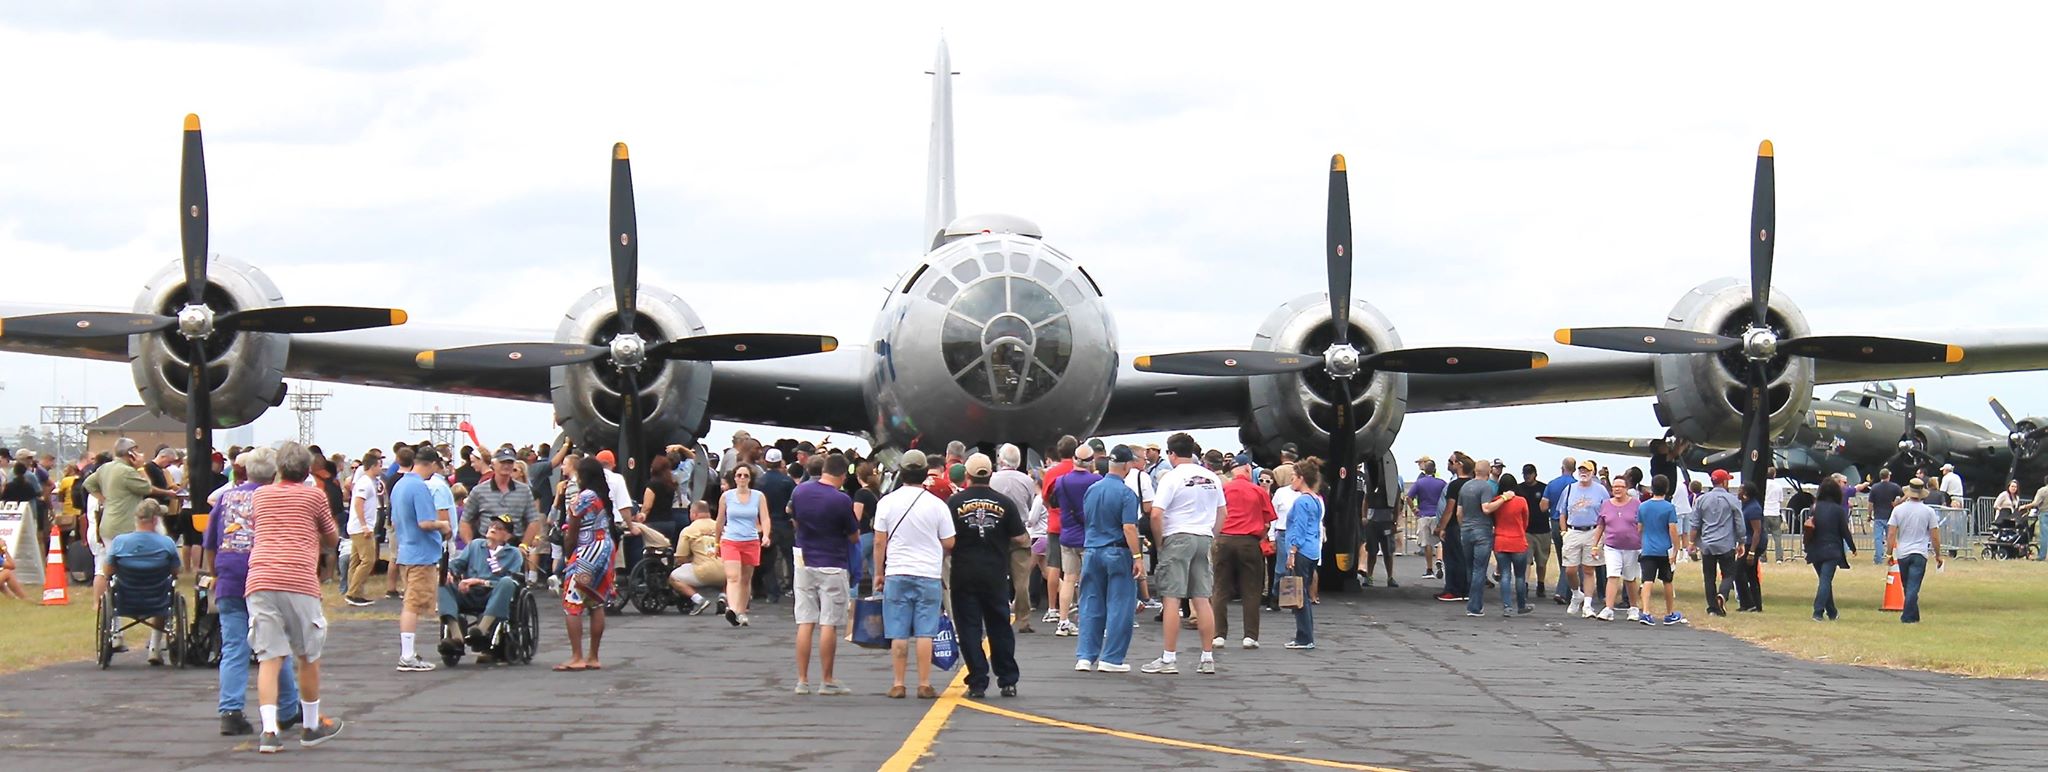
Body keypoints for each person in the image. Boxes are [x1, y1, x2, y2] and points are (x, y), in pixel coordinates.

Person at [244, 442, 345, 753]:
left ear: (279, 469)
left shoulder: (260, 495)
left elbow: (255, 525)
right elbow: (331, 536)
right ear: (307, 470)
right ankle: (311, 724)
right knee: (308, 654)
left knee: (269, 656)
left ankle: (270, 730)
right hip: (298, 578)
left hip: (261, 576)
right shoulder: (314, 495)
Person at [203, 449, 304, 736]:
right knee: (274, 646)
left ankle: (231, 709)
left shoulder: (225, 498)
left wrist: (215, 573)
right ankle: (286, 707)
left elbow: (211, 542)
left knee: (234, 646)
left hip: (230, 575)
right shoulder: (277, 499)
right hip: (266, 576)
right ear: (276, 474)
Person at [873, 450, 956, 699]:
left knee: (897, 631)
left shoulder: (886, 502)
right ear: (924, 474)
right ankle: (924, 683)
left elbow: (879, 541)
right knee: (925, 631)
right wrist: (933, 550)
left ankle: (898, 683)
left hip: (897, 572)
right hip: (928, 573)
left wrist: (879, 573)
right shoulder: (937, 505)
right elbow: (950, 541)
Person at [944, 453, 1026, 698]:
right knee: (999, 625)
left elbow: (947, 539)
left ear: (967, 476)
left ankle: (978, 680)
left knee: (969, 627)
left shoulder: (954, 503)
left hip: (963, 572)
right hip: (995, 573)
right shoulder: (1005, 503)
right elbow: (1021, 538)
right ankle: (1007, 679)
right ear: (990, 474)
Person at [1143, 433, 1225, 676]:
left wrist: (1160, 542)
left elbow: (1156, 514)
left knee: (1171, 598)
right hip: (1203, 536)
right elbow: (1223, 512)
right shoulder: (1211, 477)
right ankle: (1207, 656)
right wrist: (1212, 535)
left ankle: (1169, 658)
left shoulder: (1172, 477)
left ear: (1171, 453)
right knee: (1202, 597)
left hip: (1178, 535)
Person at [791, 453, 859, 696]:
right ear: (842, 475)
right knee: (828, 622)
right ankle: (827, 679)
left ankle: (802, 680)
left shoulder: (800, 492)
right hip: (832, 561)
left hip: (804, 560)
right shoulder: (841, 500)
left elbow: (796, 521)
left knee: (805, 620)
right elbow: (853, 535)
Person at [1076, 446, 1144, 672]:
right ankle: (1111, 658)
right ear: (1126, 465)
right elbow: (1129, 528)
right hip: (1117, 551)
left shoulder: (1092, 490)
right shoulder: (1127, 494)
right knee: (1120, 605)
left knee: (1090, 602)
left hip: (1092, 549)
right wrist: (1137, 557)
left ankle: (1085, 656)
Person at [387, 448, 451, 673]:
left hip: (406, 550)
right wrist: (442, 526)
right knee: (413, 604)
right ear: (432, 464)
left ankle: (408, 653)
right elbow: (425, 522)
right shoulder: (419, 487)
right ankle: (407, 654)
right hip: (421, 554)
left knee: (411, 602)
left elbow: (395, 519)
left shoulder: (399, 485)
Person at [95, 500, 181, 663]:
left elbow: (108, 571)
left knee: (111, 584)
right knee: (166, 587)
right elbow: (175, 571)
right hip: (157, 599)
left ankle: (116, 633)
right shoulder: (167, 543)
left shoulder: (120, 542)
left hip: (125, 598)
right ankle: (155, 646)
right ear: (156, 520)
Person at [1212, 453, 1277, 649]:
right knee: (1251, 589)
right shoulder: (1258, 491)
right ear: (1248, 468)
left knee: (1220, 588)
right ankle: (1250, 636)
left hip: (1224, 540)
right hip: (1249, 541)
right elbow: (1268, 520)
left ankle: (1219, 635)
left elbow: (1215, 514)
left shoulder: (1224, 489)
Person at [558, 458, 615, 670]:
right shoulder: (602, 496)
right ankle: (593, 655)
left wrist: (568, 553)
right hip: (604, 550)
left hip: (586, 552)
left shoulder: (582, 498)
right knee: (595, 602)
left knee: (573, 601)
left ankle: (576, 656)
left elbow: (572, 531)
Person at [439, 514, 523, 656]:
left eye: (499, 528)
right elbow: (457, 564)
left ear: (507, 536)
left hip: (493, 594)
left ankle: (481, 630)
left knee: (507, 582)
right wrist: (448, 572)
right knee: (443, 582)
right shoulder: (475, 545)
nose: (493, 529)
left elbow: (514, 579)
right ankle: (456, 637)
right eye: (492, 526)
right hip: (469, 592)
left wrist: (481, 581)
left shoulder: (514, 554)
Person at [1051, 444, 1102, 637]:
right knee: (1092, 580)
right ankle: (1088, 620)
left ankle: (1063, 621)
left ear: (1073, 459)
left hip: (1067, 535)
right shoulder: (1096, 480)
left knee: (1069, 579)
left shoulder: (1061, 481)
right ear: (1091, 461)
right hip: (1090, 536)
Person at [989, 445, 1040, 634]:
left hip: (996, 532)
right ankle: (1024, 620)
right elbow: (1029, 503)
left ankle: (997, 615)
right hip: (1020, 530)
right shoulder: (1026, 480)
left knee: (996, 576)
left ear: (1000, 460)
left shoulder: (992, 479)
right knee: (1022, 579)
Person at [717, 464, 767, 627]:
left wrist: (766, 535)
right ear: (734, 478)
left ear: (750, 478)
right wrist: (716, 541)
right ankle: (732, 609)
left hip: (751, 540)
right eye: (739, 475)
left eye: (746, 475)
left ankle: (741, 611)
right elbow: (720, 520)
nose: (742, 478)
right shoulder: (727, 496)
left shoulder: (758, 496)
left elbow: (765, 518)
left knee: (745, 579)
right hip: (730, 539)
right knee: (733, 577)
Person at [1691, 470, 1746, 617]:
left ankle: (1713, 608)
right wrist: (1742, 541)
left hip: (1707, 544)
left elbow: (1695, 523)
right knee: (1729, 573)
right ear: (1724, 482)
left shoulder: (1701, 499)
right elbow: (1739, 523)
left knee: (1709, 577)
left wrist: (1693, 542)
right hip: (1726, 543)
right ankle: (1723, 594)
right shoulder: (1732, 500)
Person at [1887, 479, 1943, 623]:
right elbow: (1935, 536)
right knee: (1913, 586)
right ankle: (1910, 616)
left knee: (1908, 586)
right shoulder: (1928, 512)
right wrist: (1938, 554)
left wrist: (1889, 552)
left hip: (1903, 553)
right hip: (1920, 552)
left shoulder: (1898, 510)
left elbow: (1891, 533)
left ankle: (1910, 616)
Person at [1282, 459, 1324, 649]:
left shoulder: (1301, 502)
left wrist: (1292, 551)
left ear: (1301, 478)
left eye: (1294, 477)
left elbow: (1298, 528)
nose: (1292, 481)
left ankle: (1304, 637)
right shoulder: (1316, 499)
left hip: (1301, 550)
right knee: (1303, 592)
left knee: (1300, 595)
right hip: (1313, 550)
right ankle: (1304, 635)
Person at [1038, 435, 1079, 630]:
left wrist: (1052, 511)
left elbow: (1045, 497)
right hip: (1077, 524)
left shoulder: (1051, 473)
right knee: (1075, 569)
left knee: (1053, 565)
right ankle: (1077, 603)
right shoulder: (1079, 470)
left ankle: (1052, 608)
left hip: (1055, 522)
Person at [1589, 476, 1643, 622]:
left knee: (1630, 578)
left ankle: (1633, 608)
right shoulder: (1606, 504)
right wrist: (1595, 545)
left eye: (1620, 486)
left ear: (1627, 489)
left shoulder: (1636, 504)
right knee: (1612, 575)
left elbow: (1641, 524)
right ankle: (1608, 608)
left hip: (1632, 547)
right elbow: (1601, 525)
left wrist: (1642, 542)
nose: (1617, 489)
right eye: (1615, 487)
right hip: (1612, 546)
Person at [1557, 459, 1607, 617]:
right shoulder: (1570, 489)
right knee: (1570, 569)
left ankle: (1587, 604)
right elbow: (1562, 511)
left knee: (1588, 569)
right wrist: (1564, 531)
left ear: (1592, 473)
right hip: (1573, 531)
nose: (1583, 473)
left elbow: (1605, 513)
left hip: (1592, 531)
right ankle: (1575, 593)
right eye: (1581, 470)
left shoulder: (1600, 490)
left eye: (1587, 470)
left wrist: (1602, 534)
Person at [1803, 477, 1857, 622]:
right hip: (1832, 549)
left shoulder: (1814, 507)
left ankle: (1832, 612)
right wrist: (1852, 547)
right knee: (1825, 581)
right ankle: (1818, 611)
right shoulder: (1838, 510)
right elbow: (1844, 531)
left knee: (1824, 580)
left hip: (1815, 548)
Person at [1636, 475, 1685, 626]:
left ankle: (1645, 611)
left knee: (1647, 580)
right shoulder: (1669, 507)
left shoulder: (1643, 506)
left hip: (1648, 548)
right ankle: (1669, 613)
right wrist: (1676, 549)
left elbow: (1639, 528)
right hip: (1664, 549)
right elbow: (1672, 530)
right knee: (1667, 580)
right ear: (1667, 489)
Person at [752, 448, 798, 603]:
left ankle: (772, 592)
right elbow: (794, 503)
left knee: (767, 561)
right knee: (791, 558)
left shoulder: (759, 482)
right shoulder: (787, 481)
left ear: (766, 462)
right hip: (784, 523)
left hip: (767, 524)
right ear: (780, 462)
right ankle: (795, 589)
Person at [1456, 458, 1499, 617]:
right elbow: (1486, 508)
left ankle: (1471, 600)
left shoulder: (1465, 487)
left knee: (1470, 568)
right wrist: (1503, 499)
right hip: (1482, 530)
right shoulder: (1486, 487)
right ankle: (1475, 606)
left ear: (1475, 471)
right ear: (1488, 472)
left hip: (1466, 529)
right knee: (1480, 569)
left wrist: (1463, 527)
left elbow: (1459, 513)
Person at [667, 501, 726, 614]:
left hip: (703, 572)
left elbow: (681, 558)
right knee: (734, 574)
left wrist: (692, 558)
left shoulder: (688, 530)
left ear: (694, 514)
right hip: (725, 571)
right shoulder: (722, 527)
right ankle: (723, 597)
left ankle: (698, 599)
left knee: (673, 577)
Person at [1488, 474, 1531, 616]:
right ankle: (1521, 605)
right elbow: (1525, 521)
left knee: (1505, 574)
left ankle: (1507, 606)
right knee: (1519, 576)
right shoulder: (1521, 501)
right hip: (1518, 541)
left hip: (1501, 541)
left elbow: (1492, 519)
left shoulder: (1496, 501)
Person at [1407, 457, 1447, 579]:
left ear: (1425, 470)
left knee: (1427, 543)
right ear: (1435, 470)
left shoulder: (1420, 482)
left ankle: (1429, 569)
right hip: (1438, 515)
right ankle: (1439, 560)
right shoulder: (1442, 483)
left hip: (1424, 515)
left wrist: (1414, 509)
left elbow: (1408, 497)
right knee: (1440, 541)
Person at [1734, 482, 1767, 612]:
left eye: (1740, 489)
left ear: (1746, 494)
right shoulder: (1746, 505)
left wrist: (1752, 552)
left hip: (1753, 544)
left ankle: (1748, 602)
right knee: (1751, 574)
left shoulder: (1753, 508)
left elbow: (1757, 531)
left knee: (1738, 572)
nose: (1738, 492)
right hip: (1747, 543)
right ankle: (1755, 604)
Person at [1864, 469, 1902, 566]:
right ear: (1888, 476)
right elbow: (1904, 495)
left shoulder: (1875, 488)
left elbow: (1870, 503)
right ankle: (1891, 556)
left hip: (1878, 516)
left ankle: (1878, 558)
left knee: (1878, 538)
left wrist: (1869, 514)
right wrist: (1897, 503)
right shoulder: (1895, 487)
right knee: (1891, 537)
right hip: (1891, 516)